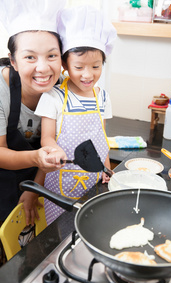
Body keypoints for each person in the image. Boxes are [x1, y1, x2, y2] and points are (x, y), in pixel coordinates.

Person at [35, 5, 117, 225]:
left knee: (90, 229)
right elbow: (46, 139)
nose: (88, 74)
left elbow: (102, 139)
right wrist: (56, 149)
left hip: (93, 181)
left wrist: (107, 169)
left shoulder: (103, 97)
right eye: (79, 67)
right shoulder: (54, 97)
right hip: (60, 185)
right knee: (62, 236)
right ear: (65, 64)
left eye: (96, 66)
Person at [0, 0, 67, 227]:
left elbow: (55, 144)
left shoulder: (65, 90)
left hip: (40, 179)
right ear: (13, 61)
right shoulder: (1, 91)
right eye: (30, 57)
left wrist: (35, 187)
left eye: (51, 56)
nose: (43, 68)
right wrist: (37, 157)